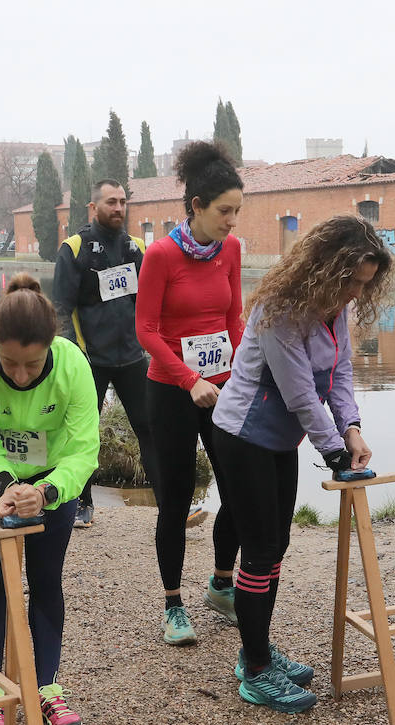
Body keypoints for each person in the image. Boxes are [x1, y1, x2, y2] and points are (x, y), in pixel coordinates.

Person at [212, 215, 391, 712]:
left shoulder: (333, 307)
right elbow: (299, 395)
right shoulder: (281, 309)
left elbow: (339, 373)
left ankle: (257, 649)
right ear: (326, 268)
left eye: (365, 284)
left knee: (277, 546)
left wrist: (351, 428)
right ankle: (255, 670)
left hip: (280, 441)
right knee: (260, 551)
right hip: (243, 436)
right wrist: (334, 452)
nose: (356, 293)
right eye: (352, 281)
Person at [0, 274, 99, 725]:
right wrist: (7, 485)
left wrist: (48, 492)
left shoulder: (73, 364)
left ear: (50, 347)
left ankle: (47, 687)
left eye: (32, 365)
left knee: (45, 577)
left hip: (53, 478)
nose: (20, 376)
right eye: (9, 363)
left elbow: (83, 450)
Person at [135, 141, 244, 646]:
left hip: (222, 387)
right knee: (175, 501)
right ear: (197, 206)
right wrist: (189, 379)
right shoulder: (160, 254)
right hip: (173, 391)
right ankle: (173, 605)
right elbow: (146, 330)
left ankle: (222, 585)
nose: (232, 222)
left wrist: (242, 372)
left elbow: (232, 318)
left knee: (238, 488)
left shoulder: (232, 250)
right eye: (224, 211)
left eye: (237, 211)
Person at [52, 179, 154, 529]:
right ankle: (82, 503)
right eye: (111, 202)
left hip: (132, 357)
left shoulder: (136, 248)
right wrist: (71, 355)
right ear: (93, 208)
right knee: (83, 434)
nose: (119, 208)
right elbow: (60, 309)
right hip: (89, 360)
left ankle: (171, 502)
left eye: (123, 202)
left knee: (150, 428)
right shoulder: (74, 248)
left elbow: (148, 304)